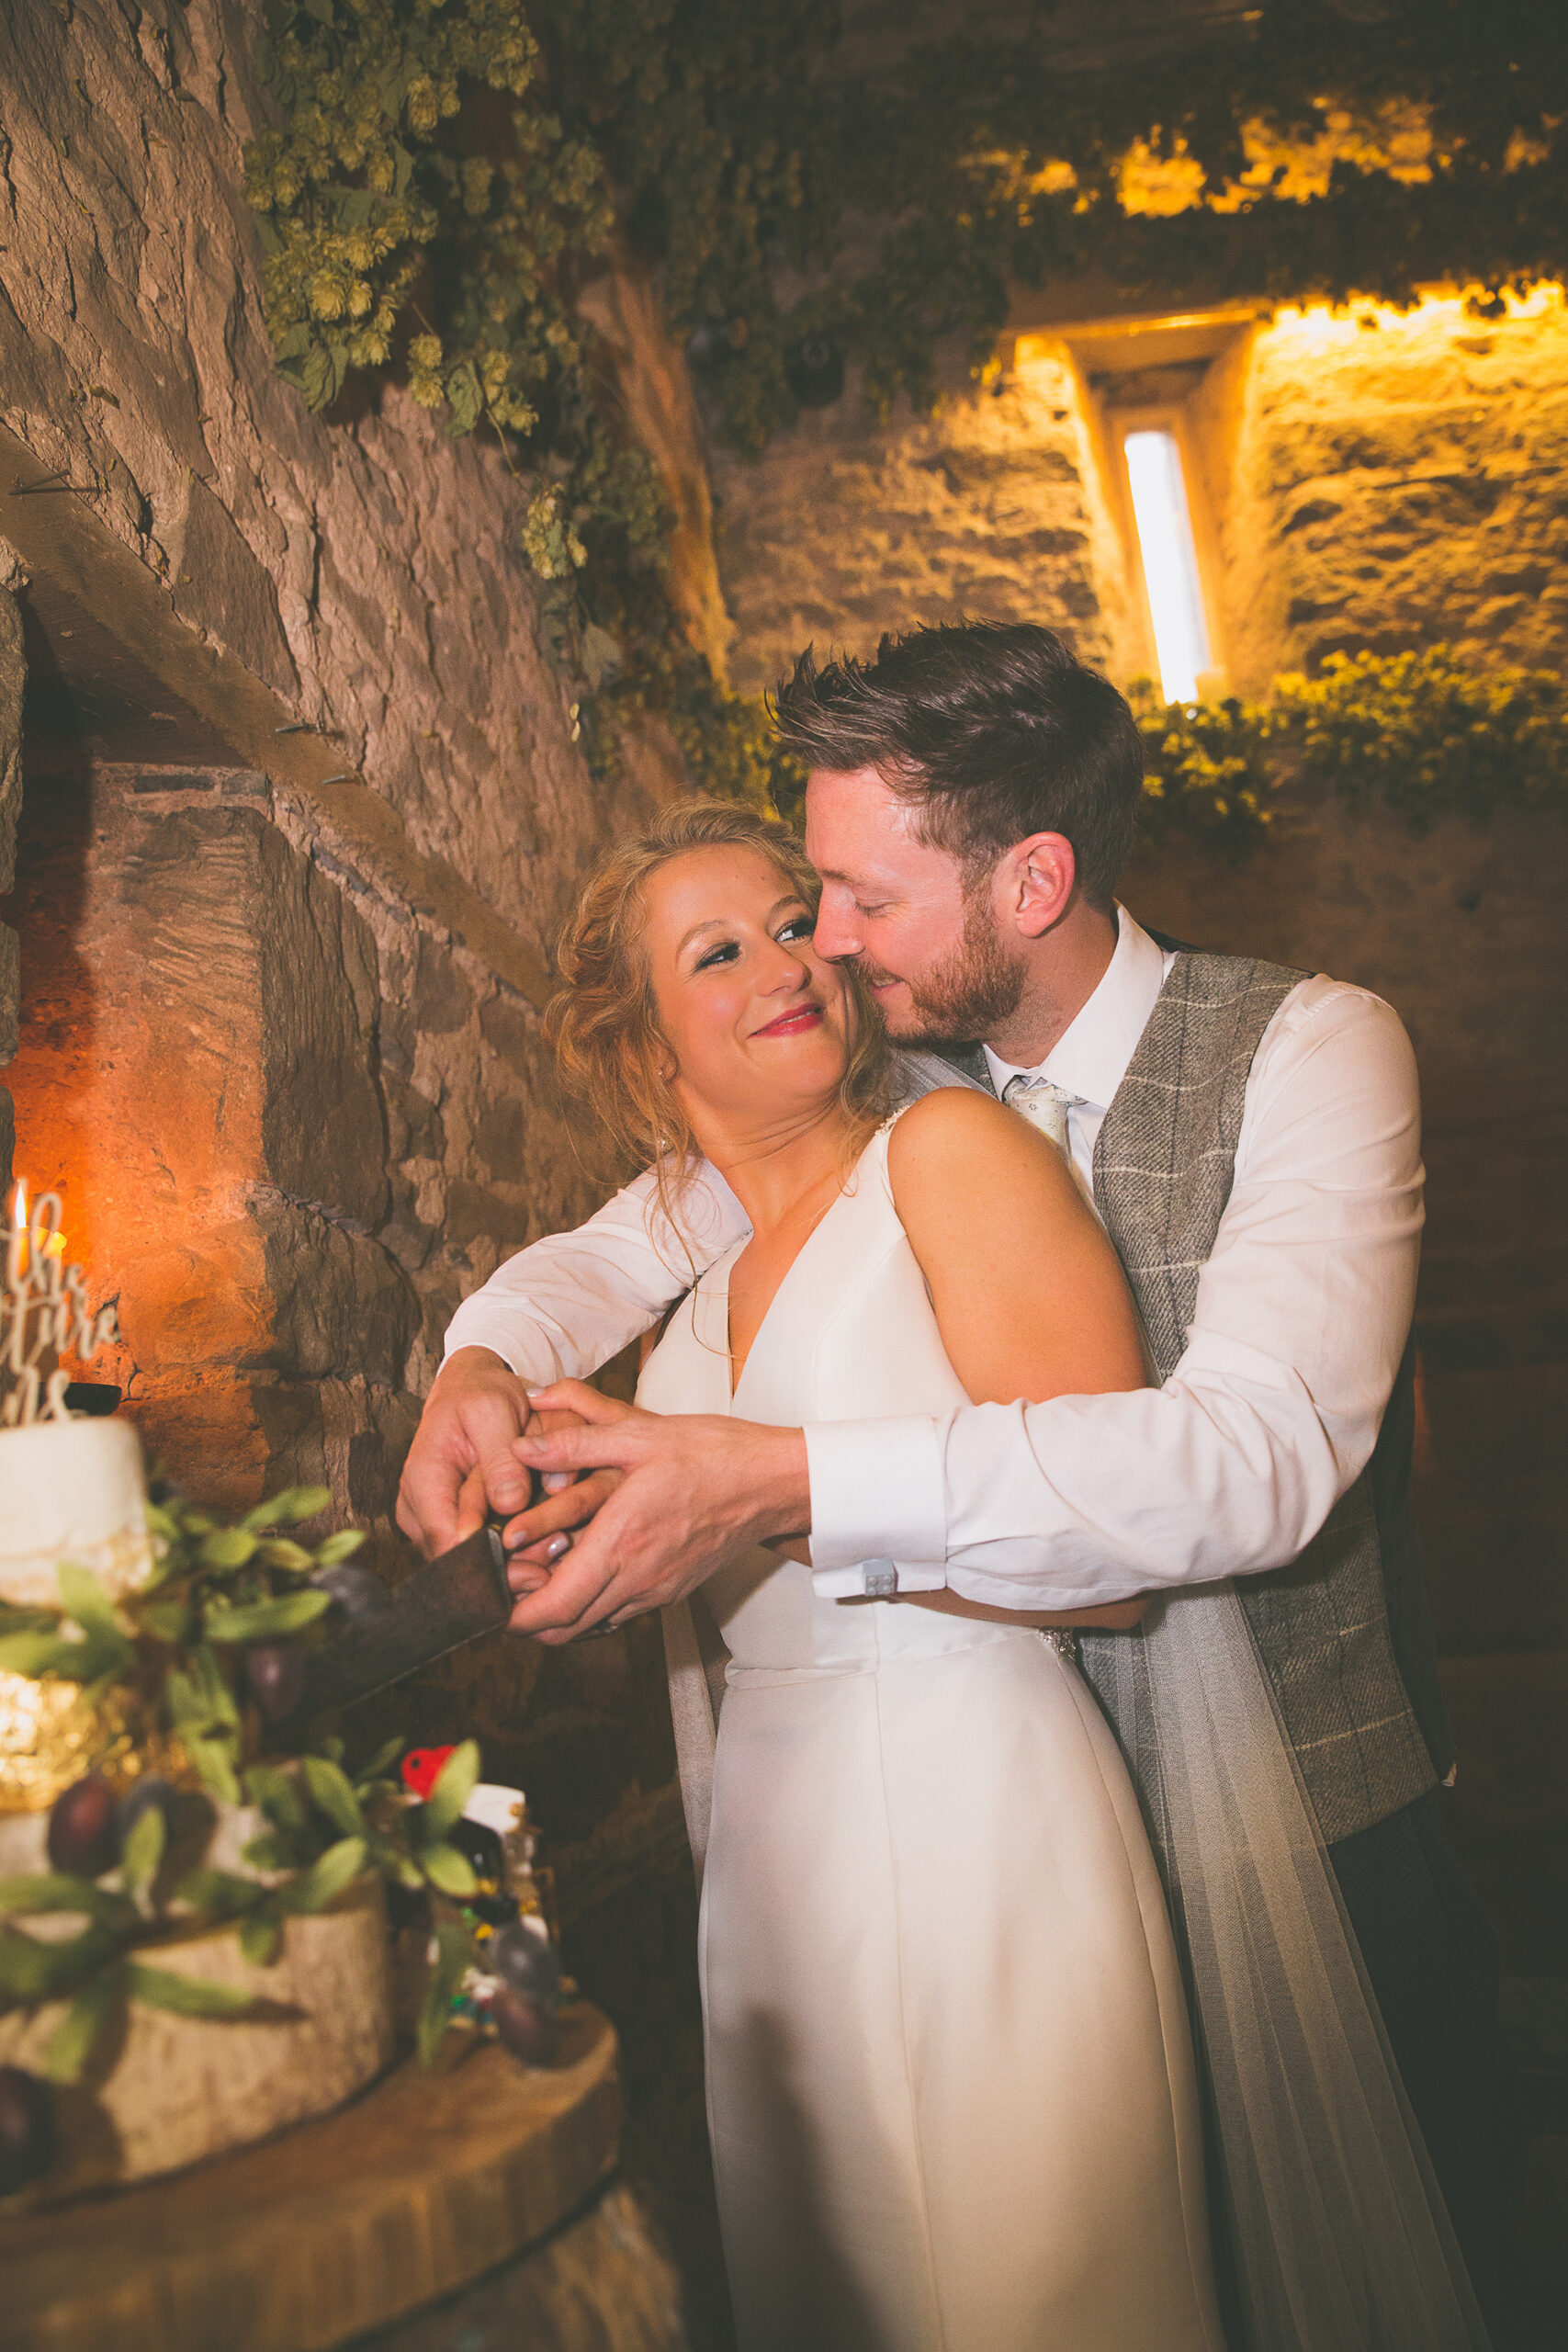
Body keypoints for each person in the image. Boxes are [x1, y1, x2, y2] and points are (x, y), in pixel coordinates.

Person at [400, 623, 1495, 2350]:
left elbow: (1259, 1454)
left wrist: (781, 1484)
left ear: (1032, 876)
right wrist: (474, 1363)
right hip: (971, 1824)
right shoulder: (877, 1077)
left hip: (1309, 1812)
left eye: (853, 898)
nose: (820, 942)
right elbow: (597, 1265)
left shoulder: (1309, 1050)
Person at [525, 797, 1225, 2352]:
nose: (791, 961)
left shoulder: (949, 1153)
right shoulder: (680, 1308)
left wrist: (755, 1508)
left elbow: (1110, 1562)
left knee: (1028, 2285)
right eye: (721, 952)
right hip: (776, 1871)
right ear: (647, 1049)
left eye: (797, 920)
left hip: (974, 1808)